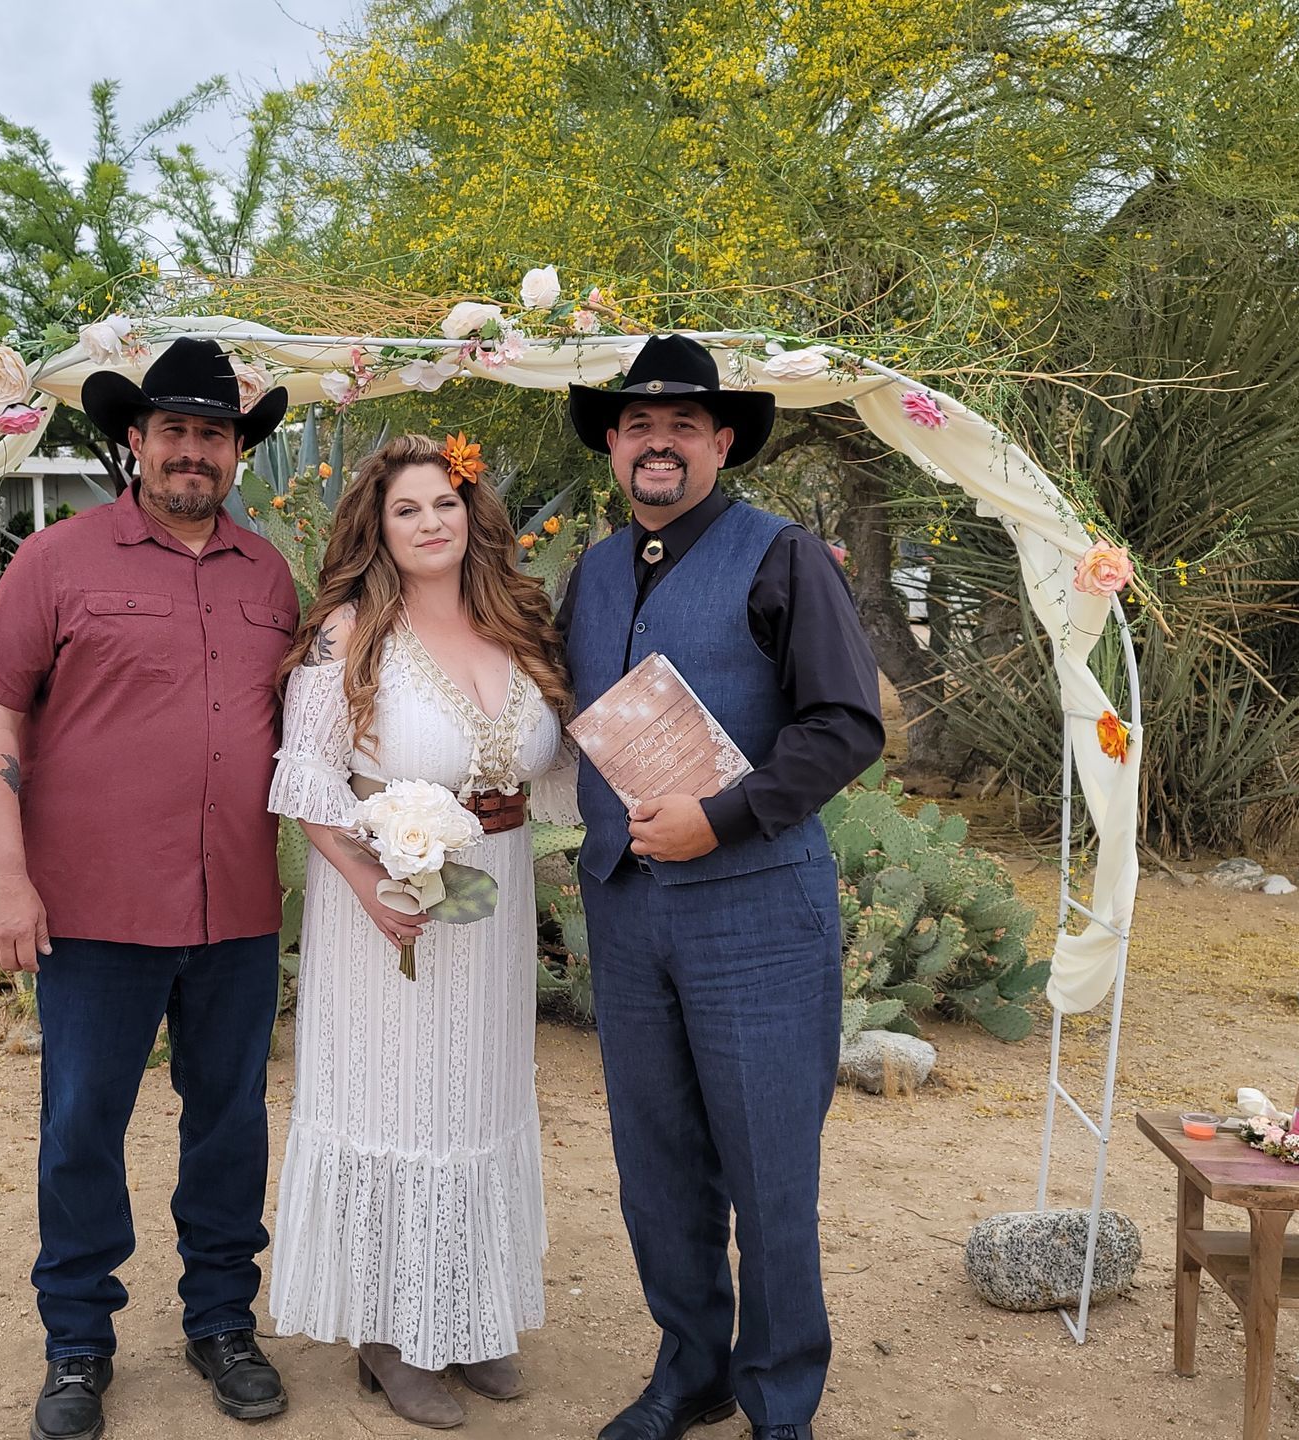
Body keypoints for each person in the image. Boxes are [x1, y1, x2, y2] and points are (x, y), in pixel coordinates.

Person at [0, 337, 298, 1440]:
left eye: (214, 432)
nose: (193, 450)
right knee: (82, 1127)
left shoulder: (270, 575)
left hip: (236, 907)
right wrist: (4, 877)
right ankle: (77, 1344)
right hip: (95, 910)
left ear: (237, 451)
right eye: (174, 430)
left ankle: (221, 1324)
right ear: (136, 441)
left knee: (230, 1126)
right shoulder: (57, 560)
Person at [557, 336, 886, 1440]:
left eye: (684, 424)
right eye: (639, 423)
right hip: (626, 906)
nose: (660, 440)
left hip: (756, 912)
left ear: (722, 441)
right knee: (657, 1168)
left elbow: (846, 725)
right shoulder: (595, 570)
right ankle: (690, 1369)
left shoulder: (783, 555)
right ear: (613, 444)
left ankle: (779, 1398)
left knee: (768, 1170)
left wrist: (723, 817)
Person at [266, 433, 578, 1430]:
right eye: (408, 510)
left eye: (445, 503)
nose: (430, 522)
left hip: (492, 900)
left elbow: (558, 763)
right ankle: (388, 1334)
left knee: (476, 1096)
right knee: (397, 1101)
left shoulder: (518, 625)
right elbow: (308, 778)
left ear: (473, 511)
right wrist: (369, 887)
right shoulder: (348, 634)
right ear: (379, 527)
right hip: (386, 908)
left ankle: (465, 1310)